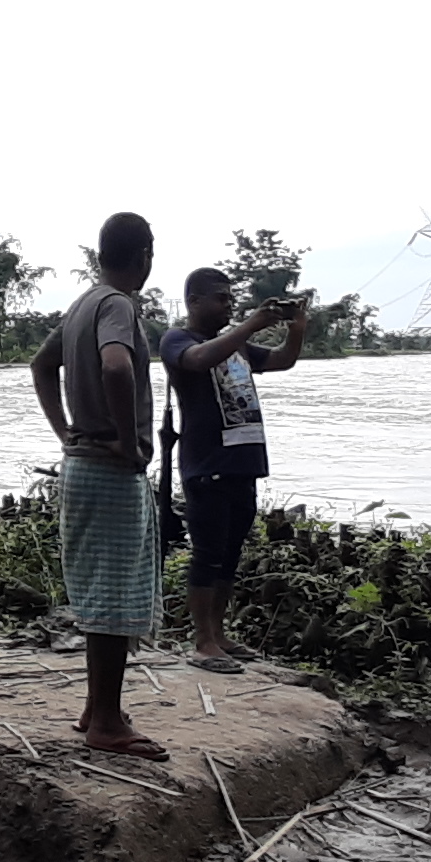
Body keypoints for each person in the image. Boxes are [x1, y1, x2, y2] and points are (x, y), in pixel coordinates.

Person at [31, 212, 165, 760]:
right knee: (114, 594)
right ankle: (106, 720)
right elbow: (116, 368)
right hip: (110, 466)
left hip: (83, 462)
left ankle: (96, 706)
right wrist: (129, 441)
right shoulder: (116, 304)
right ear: (145, 255)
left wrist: (66, 430)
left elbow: (41, 366)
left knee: (104, 589)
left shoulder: (82, 302)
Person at [161, 270, 307, 673]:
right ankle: (203, 640)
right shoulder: (178, 340)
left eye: (230, 298)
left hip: (243, 463)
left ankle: (220, 634)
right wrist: (252, 324)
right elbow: (200, 359)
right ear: (194, 302)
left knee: (230, 554)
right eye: (220, 298)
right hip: (207, 464)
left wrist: (296, 327)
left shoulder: (239, 346)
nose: (228, 304)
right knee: (207, 554)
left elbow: (283, 360)